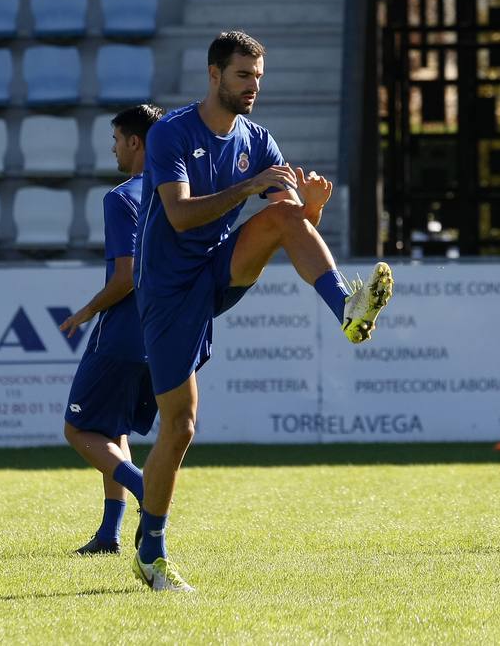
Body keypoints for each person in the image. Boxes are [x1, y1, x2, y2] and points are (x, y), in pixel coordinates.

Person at [132, 30, 393, 592]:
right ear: (214, 75)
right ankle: (150, 549)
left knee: (282, 218)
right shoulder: (171, 134)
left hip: (220, 271)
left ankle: (346, 308)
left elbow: (289, 227)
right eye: (242, 76)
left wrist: (311, 210)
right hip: (169, 290)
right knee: (180, 427)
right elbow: (178, 217)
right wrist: (251, 186)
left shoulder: (259, 138)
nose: (252, 87)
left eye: (258, 77)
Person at [58, 104, 163, 555]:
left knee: (78, 431)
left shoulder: (122, 197)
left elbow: (126, 276)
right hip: (162, 337)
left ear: (135, 142)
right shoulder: (178, 194)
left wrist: (85, 312)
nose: (114, 149)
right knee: (114, 430)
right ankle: (109, 534)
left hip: (121, 334)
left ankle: (146, 491)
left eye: (117, 140)